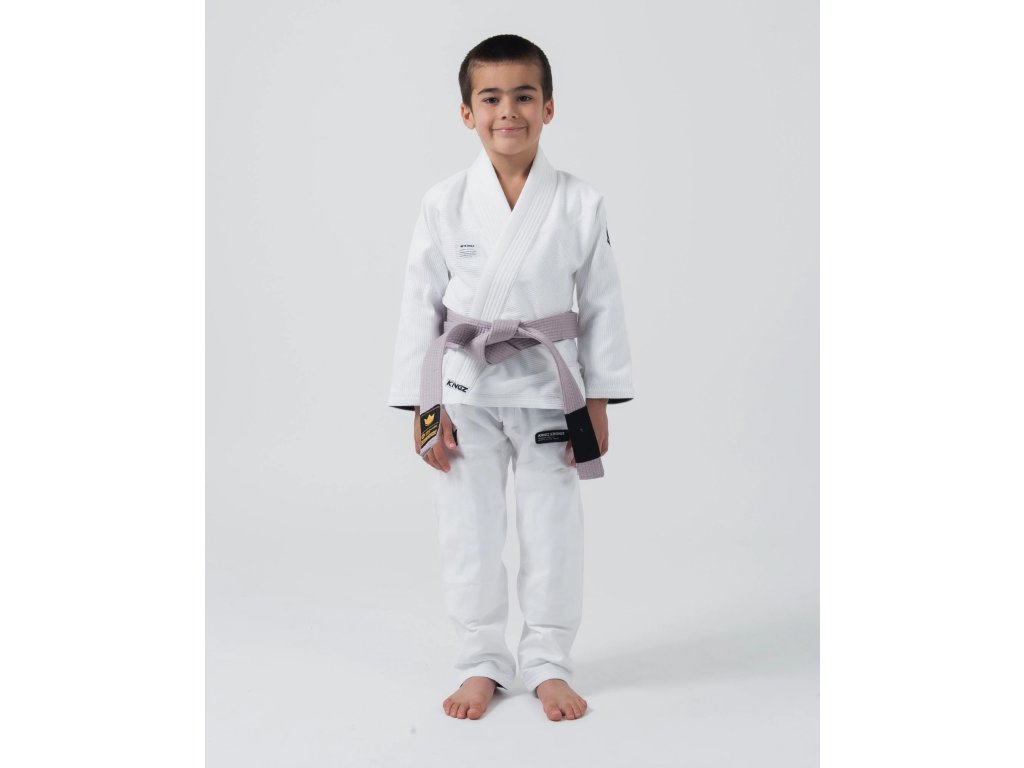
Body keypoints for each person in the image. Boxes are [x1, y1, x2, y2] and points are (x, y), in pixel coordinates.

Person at [387, 33, 634, 721]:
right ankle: (482, 661)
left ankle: (548, 661)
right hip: (465, 388)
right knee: (467, 529)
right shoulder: (443, 201)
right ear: (467, 112)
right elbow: (419, 305)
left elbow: (603, 304)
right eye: (490, 98)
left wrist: (598, 400)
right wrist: (423, 407)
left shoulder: (580, 202)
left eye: (523, 96)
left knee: (554, 529)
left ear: (548, 107)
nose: (508, 112)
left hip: (552, 389)